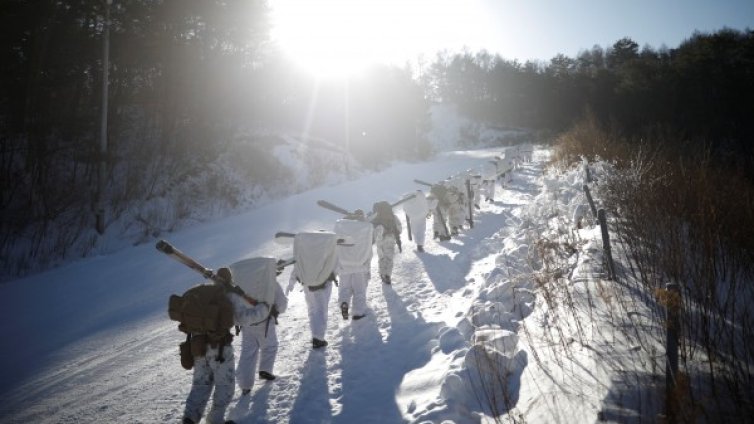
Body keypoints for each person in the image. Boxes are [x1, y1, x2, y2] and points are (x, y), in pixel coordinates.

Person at [182, 267, 269, 424]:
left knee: (200, 384)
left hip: (198, 347)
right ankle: (215, 420)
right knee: (225, 385)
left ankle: (190, 418)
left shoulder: (203, 295)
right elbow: (243, 317)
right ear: (230, 280)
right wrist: (264, 309)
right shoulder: (228, 296)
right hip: (220, 350)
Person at [236, 266, 288, 395]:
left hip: (247, 324)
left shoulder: (241, 284)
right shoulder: (271, 284)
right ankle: (265, 369)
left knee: (248, 352)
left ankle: (245, 385)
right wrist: (277, 310)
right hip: (265, 322)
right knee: (270, 346)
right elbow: (282, 304)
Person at [287, 231, 339, 349]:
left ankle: (315, 334)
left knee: (312, 309)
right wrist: (334, 276)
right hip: (323, 284)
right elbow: (336, 265)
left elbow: (297, 266)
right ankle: (318, 338)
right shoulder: (330, 249)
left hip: (307, 285)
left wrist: (291, 282)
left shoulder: (305, 250)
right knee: (321, 311)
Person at [334, 210, 374, 320]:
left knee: (344, 288)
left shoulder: (342, 226)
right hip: (360, 266)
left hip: (344, 265)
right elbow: (368, 249)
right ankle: (358, 312)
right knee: (359, 290)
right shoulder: (364, 228)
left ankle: (344, 302)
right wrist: (367, 264)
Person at [370, 201, 402, 284]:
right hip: (390, 239)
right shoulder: (393, 217)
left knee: (381, 258)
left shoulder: (375, 218)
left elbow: (370, 228)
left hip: (379, 240)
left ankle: (382, 274)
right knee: (389, 258)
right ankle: (387, 275)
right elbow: (399, 229)